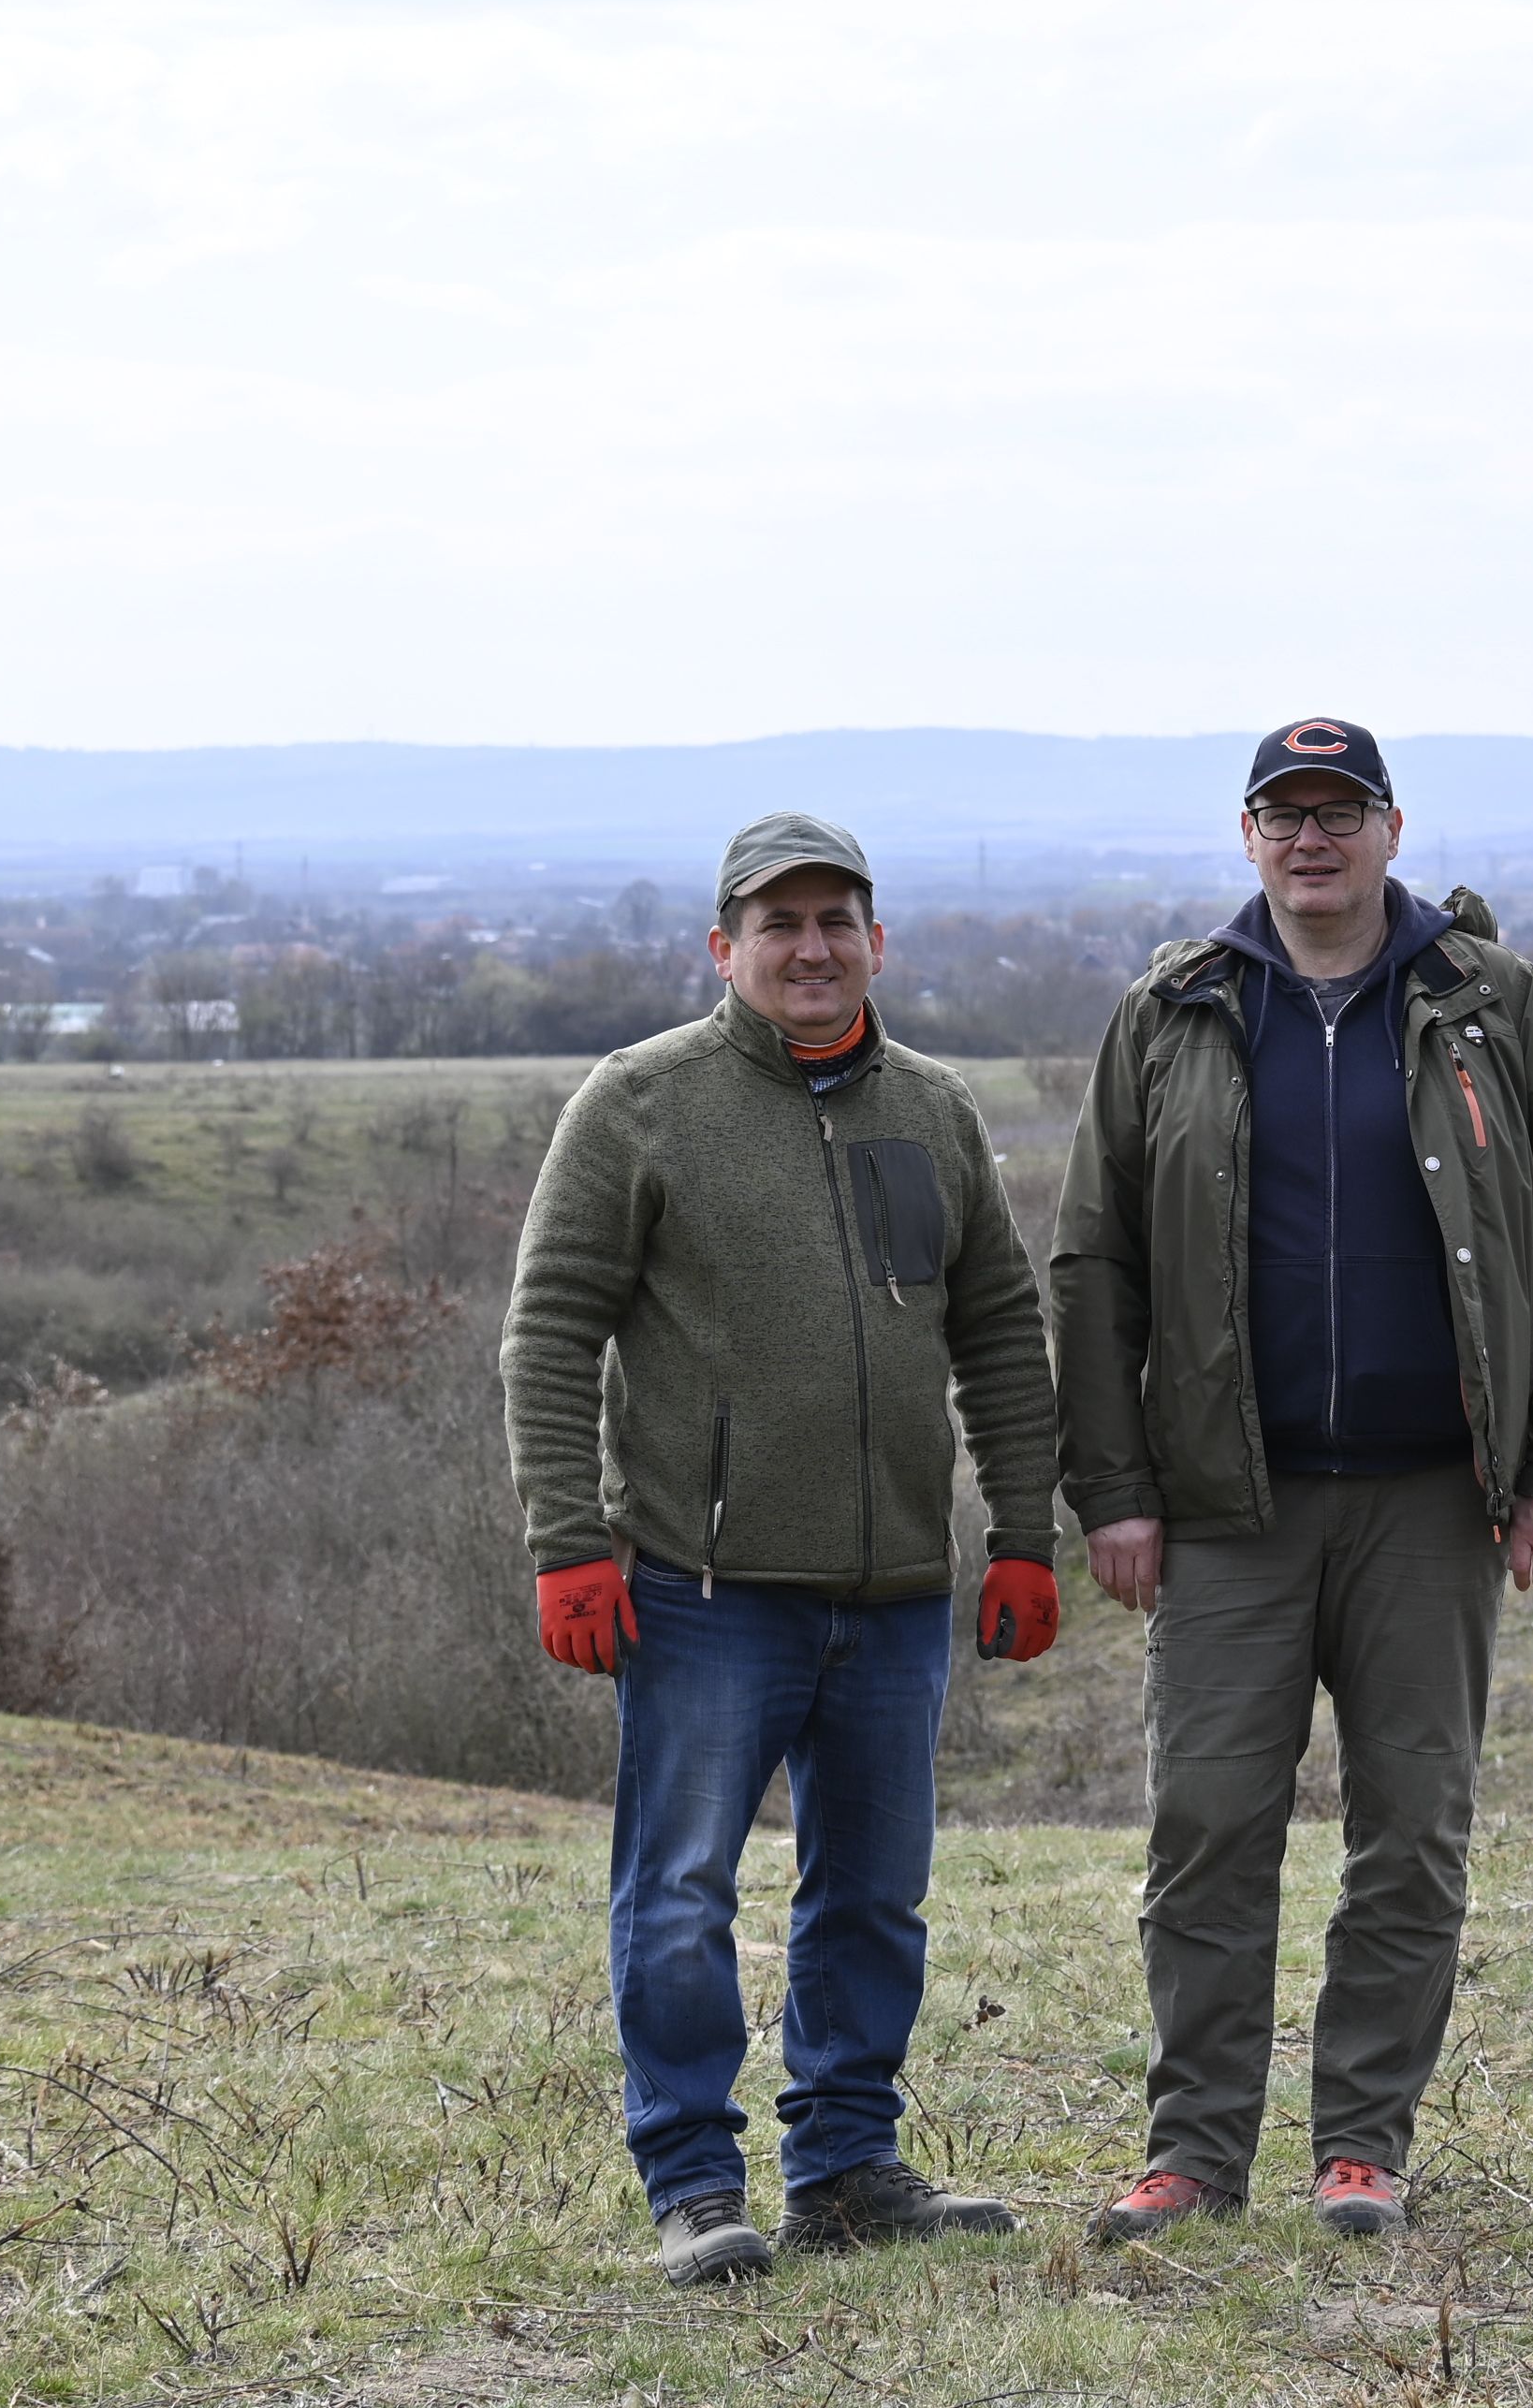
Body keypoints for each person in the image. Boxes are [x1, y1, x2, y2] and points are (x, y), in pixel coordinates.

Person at [1051, 718, 1533, 2242]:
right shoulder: (1172, 1012)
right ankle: (1194, 2156)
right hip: (1224, 1508)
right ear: (1248, 835)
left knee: (1413, 1835)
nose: (1312, 839)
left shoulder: (1490, 1002)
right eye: (1284, 813)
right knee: (1206, 1833)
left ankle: (1363, 2147)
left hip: (1433, 1500)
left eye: (1340, 811)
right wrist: (1113, 1489)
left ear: (1391, 828)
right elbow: (1094, 1262)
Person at [501, 811, 1067, 2285]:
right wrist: (568, 1542)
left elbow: (1002, 1335)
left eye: (836, 923)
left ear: (877, 942)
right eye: (779, 925)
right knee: (682, 1892)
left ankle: (848, 2173)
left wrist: (1023, 1533)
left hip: (896, 1594)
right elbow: (549, 1333)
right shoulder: (640, 1103)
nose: (810, 950)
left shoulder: (934, 1110)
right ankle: (695, 2183)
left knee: (872, 1896)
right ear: (724, 947)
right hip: (705, 1594)